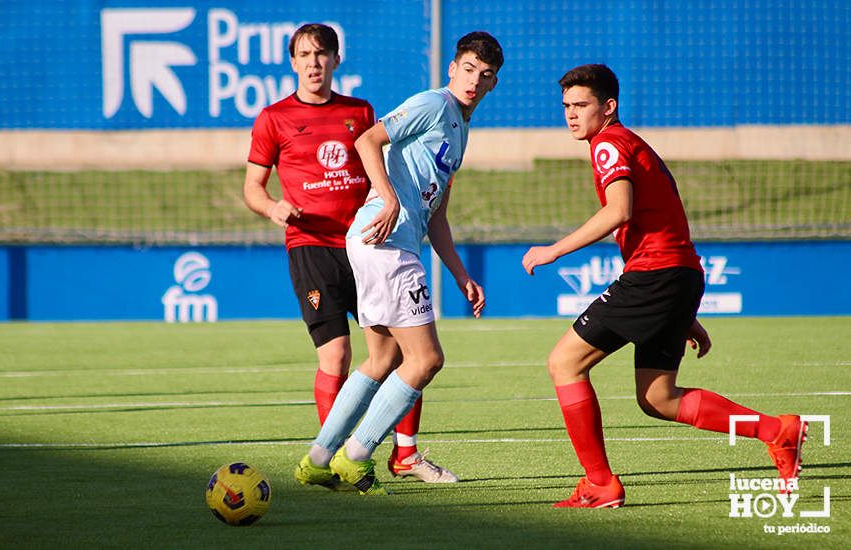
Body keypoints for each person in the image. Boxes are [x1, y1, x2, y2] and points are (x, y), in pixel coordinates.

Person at [521, 63, 807, 508]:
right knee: (658, 398)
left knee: (565, 364)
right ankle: (778, 430)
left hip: (656, 274)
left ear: (608, 107)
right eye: (566, 107)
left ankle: (599, 484)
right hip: (677, 275)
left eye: (581, 105)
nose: (571, 115)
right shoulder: (631, 142)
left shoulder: (609, 144)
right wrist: (682, 311)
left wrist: (552, 250)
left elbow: (620, 210)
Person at [243, 23, 454, 485]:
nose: (313, 63)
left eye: (322, 54)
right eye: (304, 55)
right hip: (312, 247)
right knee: (337, 355)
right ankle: (333, 455)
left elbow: (381, 163)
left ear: (336, 60)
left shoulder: (359, 111)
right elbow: (252, 190)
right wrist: (274, 206)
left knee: (400, 352)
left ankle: (405, 454)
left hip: (368, 242)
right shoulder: (273, 118)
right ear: (292, 63)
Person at [294, 31, 504, 495]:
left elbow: (438, 216)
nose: (474, 81)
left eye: (484, 76)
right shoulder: (434, 103)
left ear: (493, 84)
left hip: (387, 242)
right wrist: (388, 200)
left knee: (383, 358)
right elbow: (368, 140)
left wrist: (461, 273)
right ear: (453, 69)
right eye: (468, 70)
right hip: (385, 241)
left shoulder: (460, 130)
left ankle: (317, 458)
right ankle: (357, 454)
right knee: (426, 359)